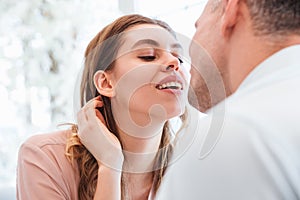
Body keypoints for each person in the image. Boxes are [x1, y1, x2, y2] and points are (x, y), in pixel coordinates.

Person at [16, 14, 190, 200]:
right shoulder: (44, 157)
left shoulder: (189, 167)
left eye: (179, 58)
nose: (174, 63)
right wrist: (109, 166)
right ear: (106, 83)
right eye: (148, 56)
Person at [156, 0, 300, 199]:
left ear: (230, 10)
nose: (177, 61)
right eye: (148, 56)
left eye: (197, 26)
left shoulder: (235, 136)